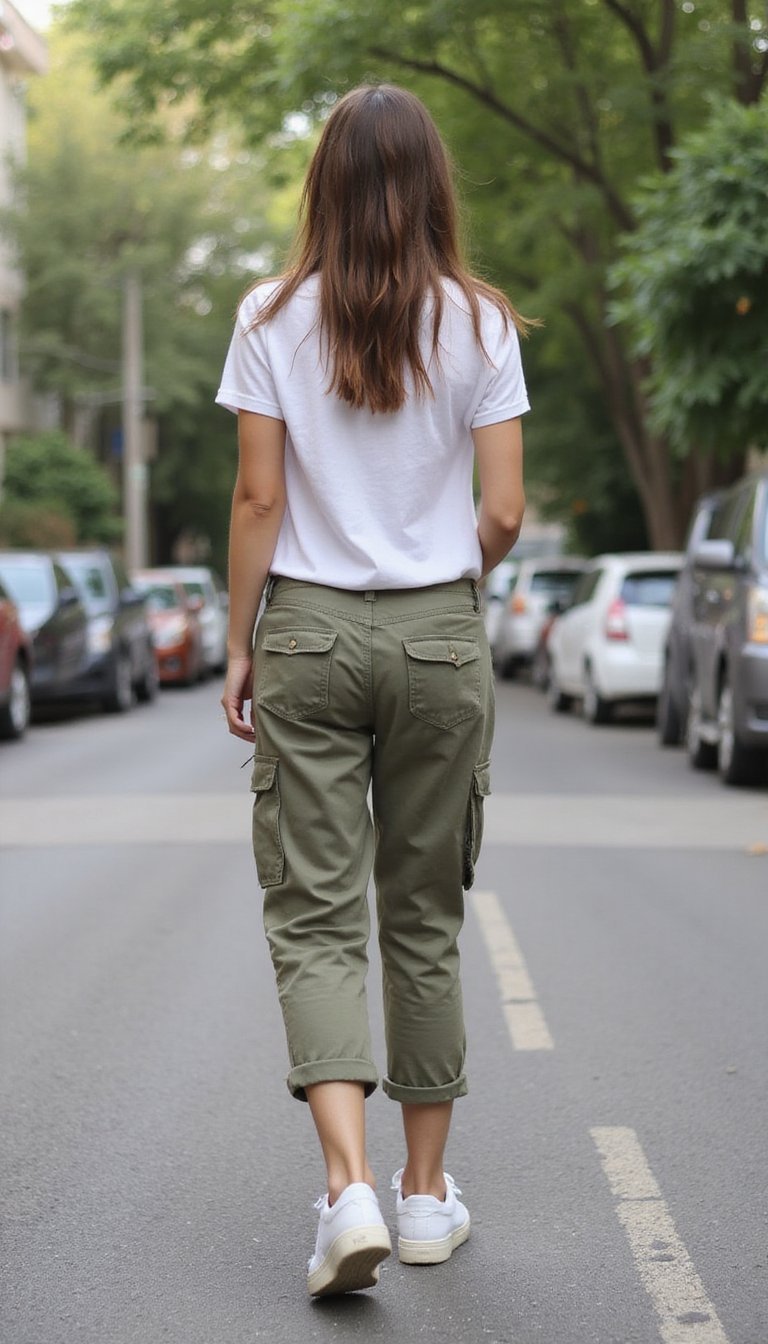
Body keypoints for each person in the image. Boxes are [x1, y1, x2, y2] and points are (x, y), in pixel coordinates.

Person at [216, 82, 529, 1298]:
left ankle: (342, 1189)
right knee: (424, 911)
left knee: (313, 913)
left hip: (307, 633)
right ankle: (424, 1198)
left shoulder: (269, 315)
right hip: (441, 637)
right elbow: (502, 511)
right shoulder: (483, 323)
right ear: (433, 184)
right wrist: (451, 581)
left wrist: (245, 642)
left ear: (325, 185)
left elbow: (258, 500)